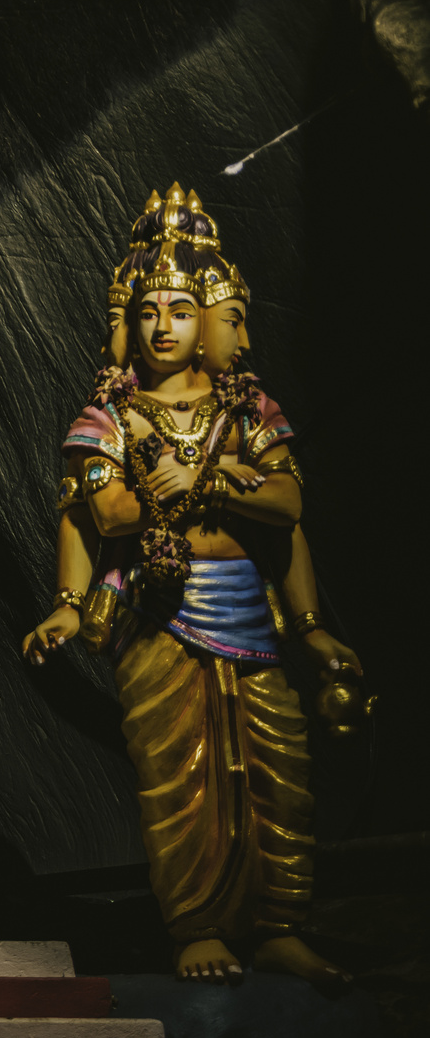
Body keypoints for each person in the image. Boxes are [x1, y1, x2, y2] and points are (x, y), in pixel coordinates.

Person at [44, 184, 349, 986]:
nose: (163, 327)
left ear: (214, 321)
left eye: (181, 310)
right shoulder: (108, 417)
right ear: (124, 321)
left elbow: (288, 508)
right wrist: (71, 607)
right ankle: (197, 927)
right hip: (158, 616)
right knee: (180, 775)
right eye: (147, 312)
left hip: (250, 611)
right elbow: (95, 514)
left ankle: (280, 922)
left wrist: (309, 624)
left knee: (275, 768)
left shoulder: (245, 410)